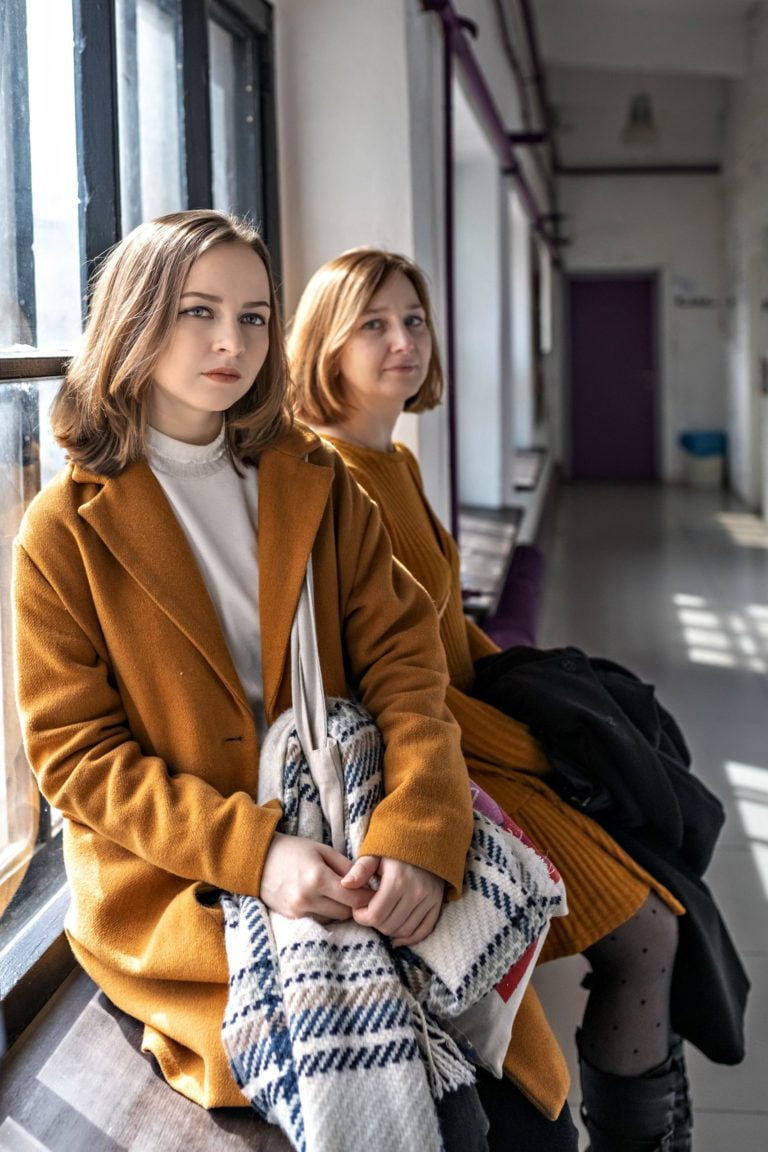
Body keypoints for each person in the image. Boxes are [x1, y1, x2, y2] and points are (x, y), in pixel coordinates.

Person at [11, 211, 573, 1151]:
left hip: (357, 828)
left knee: (529, 1113)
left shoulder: (311, 480)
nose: (232, 342)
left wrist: (420, 832)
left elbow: (408, 668)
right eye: (198, 311)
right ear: (136, 317)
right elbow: (76, 760)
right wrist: (259, 855)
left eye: (256, 316)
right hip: (186, 879)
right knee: (438, 1117)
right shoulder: (62, 530)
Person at [287, 247, 694, 1152]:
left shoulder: (387, 457)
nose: (404, 341)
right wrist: (539, 746)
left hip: (469, 743)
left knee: (663, 884)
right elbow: (387, 676)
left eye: (415, 321)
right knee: (648, 937)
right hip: (428, 774)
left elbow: (442, 629)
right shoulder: (333, 478)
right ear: (323, 344)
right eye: (374, 324)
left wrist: (554, 701)